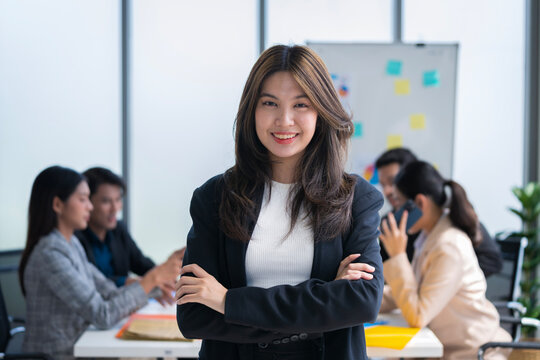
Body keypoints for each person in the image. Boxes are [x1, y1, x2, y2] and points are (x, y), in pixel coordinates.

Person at [175, 44, 384, 360]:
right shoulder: (214, 198)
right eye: (269, 103)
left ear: (321, 111)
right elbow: (194, 317)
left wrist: (230, 303)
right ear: (252, 110)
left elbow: (363, 301)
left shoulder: (357, 200)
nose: (284, 120)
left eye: (301, 104)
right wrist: (325, 305)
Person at [19, 166, 178, 360]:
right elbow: (103, 315)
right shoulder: (50, 254)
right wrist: (152, 279)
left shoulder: (70, 244)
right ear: (58, 205)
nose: (90, 206)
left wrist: (155, 286)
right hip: (60, 354)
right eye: (83, 199)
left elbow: (109, 292)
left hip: (81, 346)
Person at [379, 161, 511, 359]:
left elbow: (417, 315)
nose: (394, 212)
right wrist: (362, 301)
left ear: (420, 203)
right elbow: (411, 291)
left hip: (472, 352)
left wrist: (397, 255)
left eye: (398, 204)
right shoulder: (429, 237)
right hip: (445, 348)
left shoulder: (449, 245)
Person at [375, 147, 503, 277]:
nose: (387, 191)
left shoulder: (452, 220)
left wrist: (444, 278)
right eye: (383, 184)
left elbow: (492, 259)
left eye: (392, 182)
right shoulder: (388, 224)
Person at [75, 167, 184, 303]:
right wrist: (135, 282)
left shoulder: (118, 229)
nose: (115, 208)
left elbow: (141, 263)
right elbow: (90, 282)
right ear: (88, 202)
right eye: (106, 201)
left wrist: (165, 272)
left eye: (118, 199)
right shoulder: (74, 238)